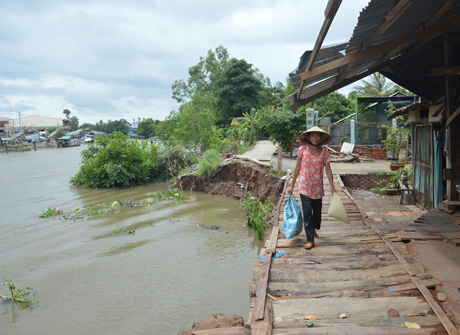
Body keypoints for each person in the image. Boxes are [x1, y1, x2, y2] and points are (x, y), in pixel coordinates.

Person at [287, 126, 335, 249]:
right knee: (307, 212)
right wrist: (291, 185)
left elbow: (328, 170)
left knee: (317, 212)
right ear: (308, 137)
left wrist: (332, 186)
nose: (315, 138)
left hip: (317, 187)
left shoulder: (324, 152)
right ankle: (310, 239)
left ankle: (314, 228)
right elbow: (297, 168)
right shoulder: (302, 149)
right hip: (304, 186)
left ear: (321, 138)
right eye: (312, 135)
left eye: (317, 135)